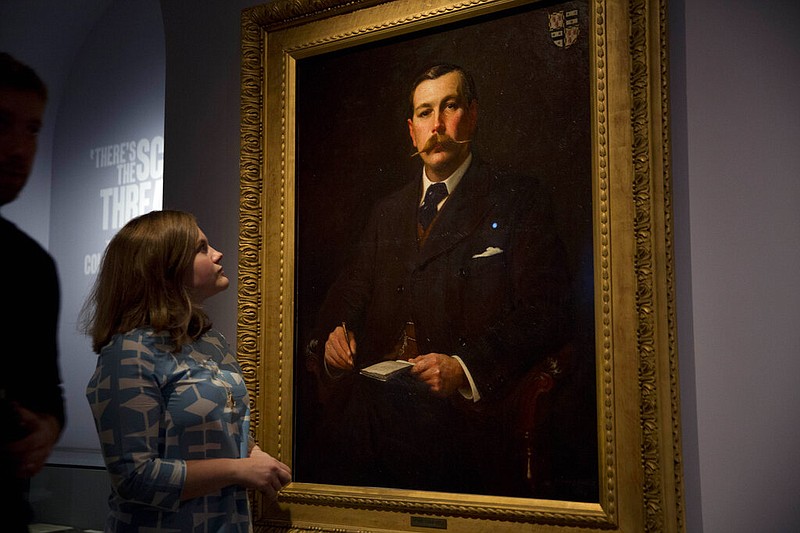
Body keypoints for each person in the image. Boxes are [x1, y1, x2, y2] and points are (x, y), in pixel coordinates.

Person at [305, 63, 572, 494]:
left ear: (473, 114)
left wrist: (463, 368)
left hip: (465, 417)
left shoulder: (519, 199)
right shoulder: (387, 213)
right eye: (426, 113)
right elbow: (345, 298)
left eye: (449, 107)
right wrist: (334, 341)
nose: (438, 125)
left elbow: (546, 311)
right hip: (373, 408)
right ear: (412, 130)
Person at [82, 210, 292, 531]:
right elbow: (134, 477)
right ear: (165, 268)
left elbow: (218, 424)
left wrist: (254, 451)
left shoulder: (210, 341)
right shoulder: (129, 354)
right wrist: (238, 470)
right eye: (202, 248)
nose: (218, 253)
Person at [0, 52, 66, 530]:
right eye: (1, 123)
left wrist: (46, 429)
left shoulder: (30, 265)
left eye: (33, 130)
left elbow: (47, 392)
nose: (18, 148)